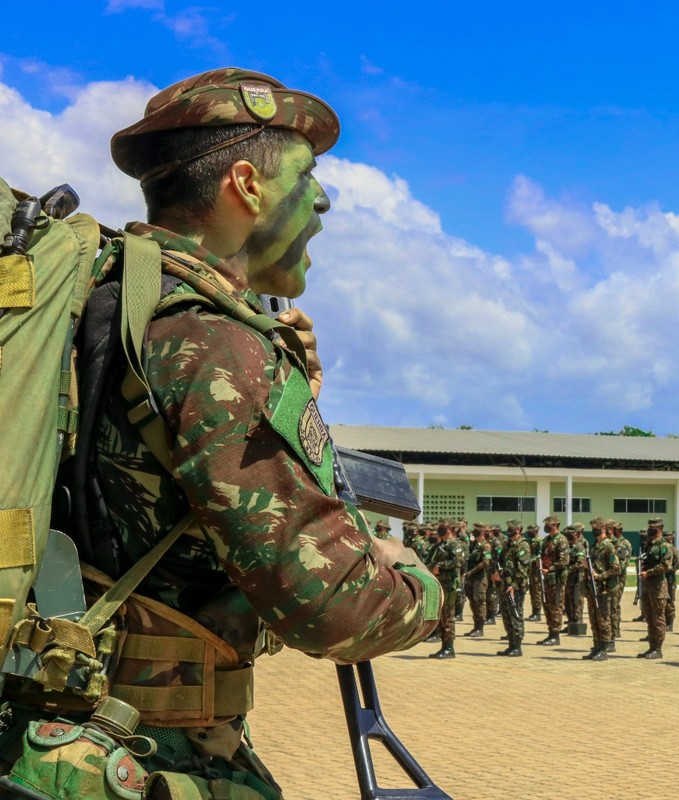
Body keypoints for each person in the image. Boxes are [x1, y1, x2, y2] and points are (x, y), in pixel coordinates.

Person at [2, 68, 442, 794]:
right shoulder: (212, 340)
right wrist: (416, 578)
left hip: (55, 736)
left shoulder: (103, 303)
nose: (324, 200)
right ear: (246, 186)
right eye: (308, 177)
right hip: (151, 753)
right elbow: (333, 609)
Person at [428, 520, 466, 658]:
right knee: (441, 617)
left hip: (449, 585)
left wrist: (441, 566)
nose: (440, 529)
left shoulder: (454, 544)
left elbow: (458, 562)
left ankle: (449, 648)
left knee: (448, 616)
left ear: (449, 529)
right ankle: (444, 646)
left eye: (443, 527)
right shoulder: (440, 545)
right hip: (439, 583)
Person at [582, 517, 618, 660]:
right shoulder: (594, 545)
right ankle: (596, 646)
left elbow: (616, 568)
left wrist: (599, 575)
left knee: (603, 619)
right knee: (594, 619)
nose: (593, 529)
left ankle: (604, 648)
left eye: (595, 527)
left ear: (603, 528)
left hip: (603, 588)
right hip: (593, 588)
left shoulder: (608, 546)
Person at [495, 522, 531, 656]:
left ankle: (517, 646)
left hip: (515, 587)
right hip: (505, 584)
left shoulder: (523, 545)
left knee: (516, 615)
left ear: (518, 530)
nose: (509, 530)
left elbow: (523, 570)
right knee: (506, 616)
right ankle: (510, 644)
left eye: (512, 528)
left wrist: (514, 586)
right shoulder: (507, 545)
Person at [638, 519, 672, 659]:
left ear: (659, 528)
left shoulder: (664, 546)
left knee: (658, 617)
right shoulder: (649, 545)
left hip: (658, 586)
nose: (649, 530)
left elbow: (665, 566)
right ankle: (651, 646)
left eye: (652, 528)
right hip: (647, 586)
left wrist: (649, 573)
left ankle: (657, 648)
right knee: (649, 617)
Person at [538, 515, 569, 645]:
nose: (546, 527)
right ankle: (550, 632)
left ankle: (555, 635)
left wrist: (550, 568)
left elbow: (564, 561)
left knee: (556, 606)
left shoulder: (561, 540)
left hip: (556, 579)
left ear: (555, 525)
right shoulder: (546, 540)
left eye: (548, 524)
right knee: (547, 606)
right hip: (546, 578)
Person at [463, 522, 493, 637]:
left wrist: (471, 572)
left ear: (482, 532)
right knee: (472, 602)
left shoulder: (486, 545)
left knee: (479, 602)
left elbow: (486, 562)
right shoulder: (473, 545)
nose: (474, 532)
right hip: (471, 578)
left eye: (476, 530)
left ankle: (480, 628)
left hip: (480, 578)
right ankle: (475, 627)